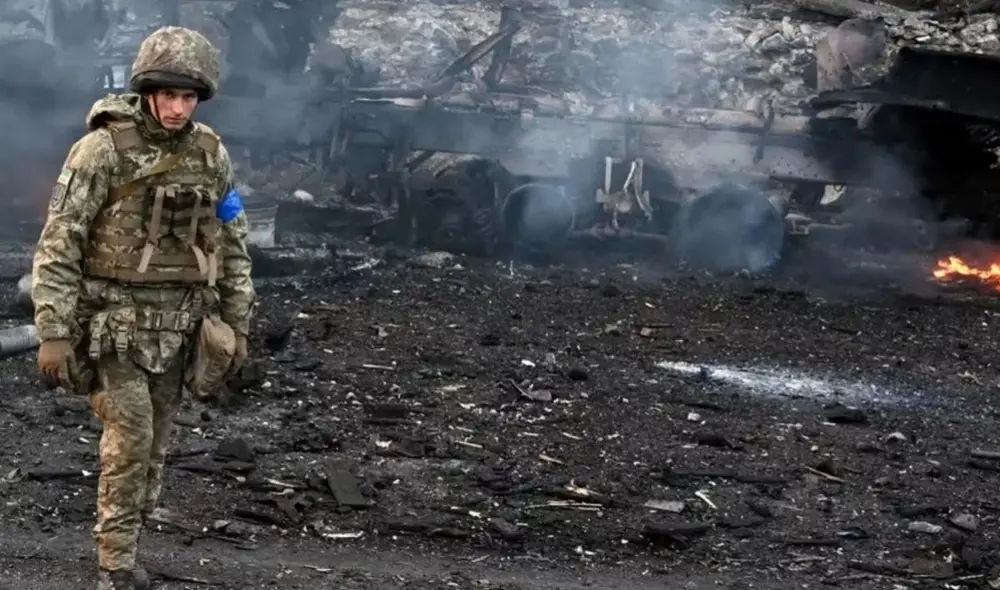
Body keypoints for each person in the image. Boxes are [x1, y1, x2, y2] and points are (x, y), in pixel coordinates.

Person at [31, 26, 255, 590]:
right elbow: (61, 242)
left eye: (188, 97)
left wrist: (237, 322)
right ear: (148, 90)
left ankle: (131, 541)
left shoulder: (211, 154)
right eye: (168, 95)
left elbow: (232, 240)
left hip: (180, 328)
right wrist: (54, 332)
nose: (178, 108)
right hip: (116, 326)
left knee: (157, 446)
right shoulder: (101, 151)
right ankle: (116, 566)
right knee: (128, 444)